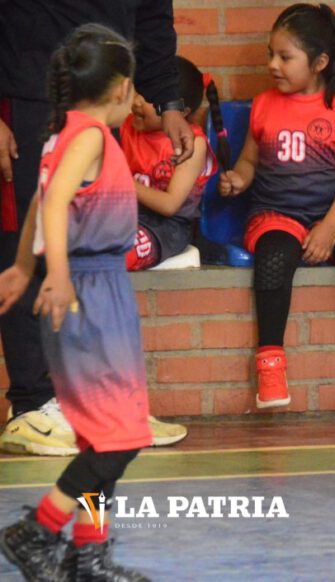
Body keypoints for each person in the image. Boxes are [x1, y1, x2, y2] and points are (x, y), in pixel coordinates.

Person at [0, 0, 190, 455]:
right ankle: (33, 405)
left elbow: (152, 17)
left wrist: (168, 101)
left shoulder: (104, 122)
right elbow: (48, 204)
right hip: (25, 91)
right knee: (50, 251)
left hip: (102, 92)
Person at [0, 24, 152, 581]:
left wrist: (22, 266)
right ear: (119, 89)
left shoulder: (65, 133)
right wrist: (56, 274)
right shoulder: (89, 135)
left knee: (101, 438)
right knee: (121, 439)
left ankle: (89, 555)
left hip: (93, 289)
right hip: (89, 293)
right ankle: (37, 530)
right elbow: (58, 199)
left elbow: (41, 199)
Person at [218, 3, 335, 415]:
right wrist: (238, 178)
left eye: (285, 57)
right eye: (271, 54)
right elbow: (250, 161)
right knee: (273, 258)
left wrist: (326, 229)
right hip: (275, 215)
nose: (273, 64)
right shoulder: (265, 104)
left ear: (320, 62)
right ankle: (270, 362)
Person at [122, 56, 221, 271]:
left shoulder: (193, 144)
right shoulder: (128, 126)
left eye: (149, 98)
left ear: (180, 112)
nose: (137, 101)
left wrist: (121, 182)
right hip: (124, 214)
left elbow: (169, 205)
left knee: (118, 255)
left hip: (166, 229)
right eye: (138, 91)